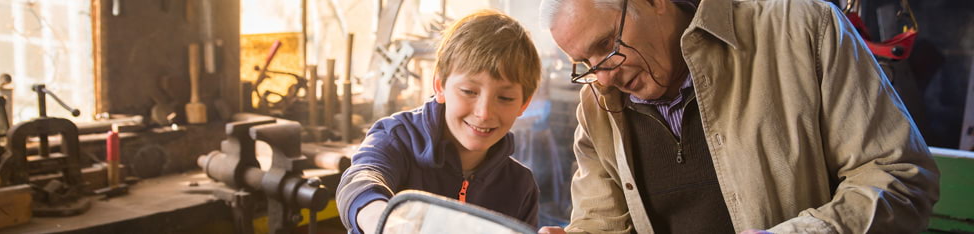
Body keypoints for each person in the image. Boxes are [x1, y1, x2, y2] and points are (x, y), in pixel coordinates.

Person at [538, 0, 939, 233]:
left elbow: (899, 177)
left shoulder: (802, 29)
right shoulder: (597, 106)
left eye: (607, 45)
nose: (603, 76)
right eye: (583, 63)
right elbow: (602, 222)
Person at [337, 10, 543, 234]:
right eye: (468, 91)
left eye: (505, 98)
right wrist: (384, 222)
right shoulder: (395, 138)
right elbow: (360, 179)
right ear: (440, 86)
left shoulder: (520, 186)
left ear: (524, 103)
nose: (484, 113)